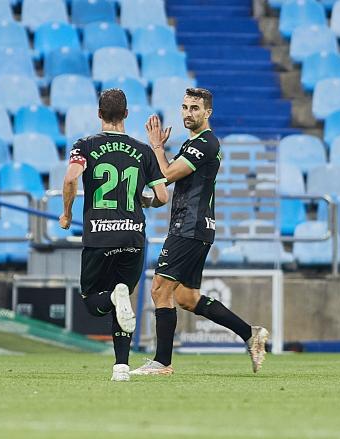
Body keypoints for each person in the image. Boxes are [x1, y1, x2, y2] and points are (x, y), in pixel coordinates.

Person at [130, 87, 269, 376]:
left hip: (189, 227)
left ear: (208, 112)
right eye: (184, 107)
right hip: (196, 227)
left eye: (195, 108)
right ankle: (250, 333)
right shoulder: (193, 143)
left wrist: (156, 146)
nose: (188, 113)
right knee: (186, 298)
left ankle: (162, 362)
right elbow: (168, 186)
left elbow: (166, 175)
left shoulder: (205, 143)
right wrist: (147, 199)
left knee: (159, 289)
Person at [60, 88, 169, 382]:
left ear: (99, 114)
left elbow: (71, 177)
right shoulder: (143, 151)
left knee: (94, 301)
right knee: (124, 302)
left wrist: (67, 213)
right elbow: (161, 196)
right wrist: (141, 200)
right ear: (126, 115)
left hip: (99, 235)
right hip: (133, 236)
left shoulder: (85, 145)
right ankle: (121, 366)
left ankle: (113, 300)